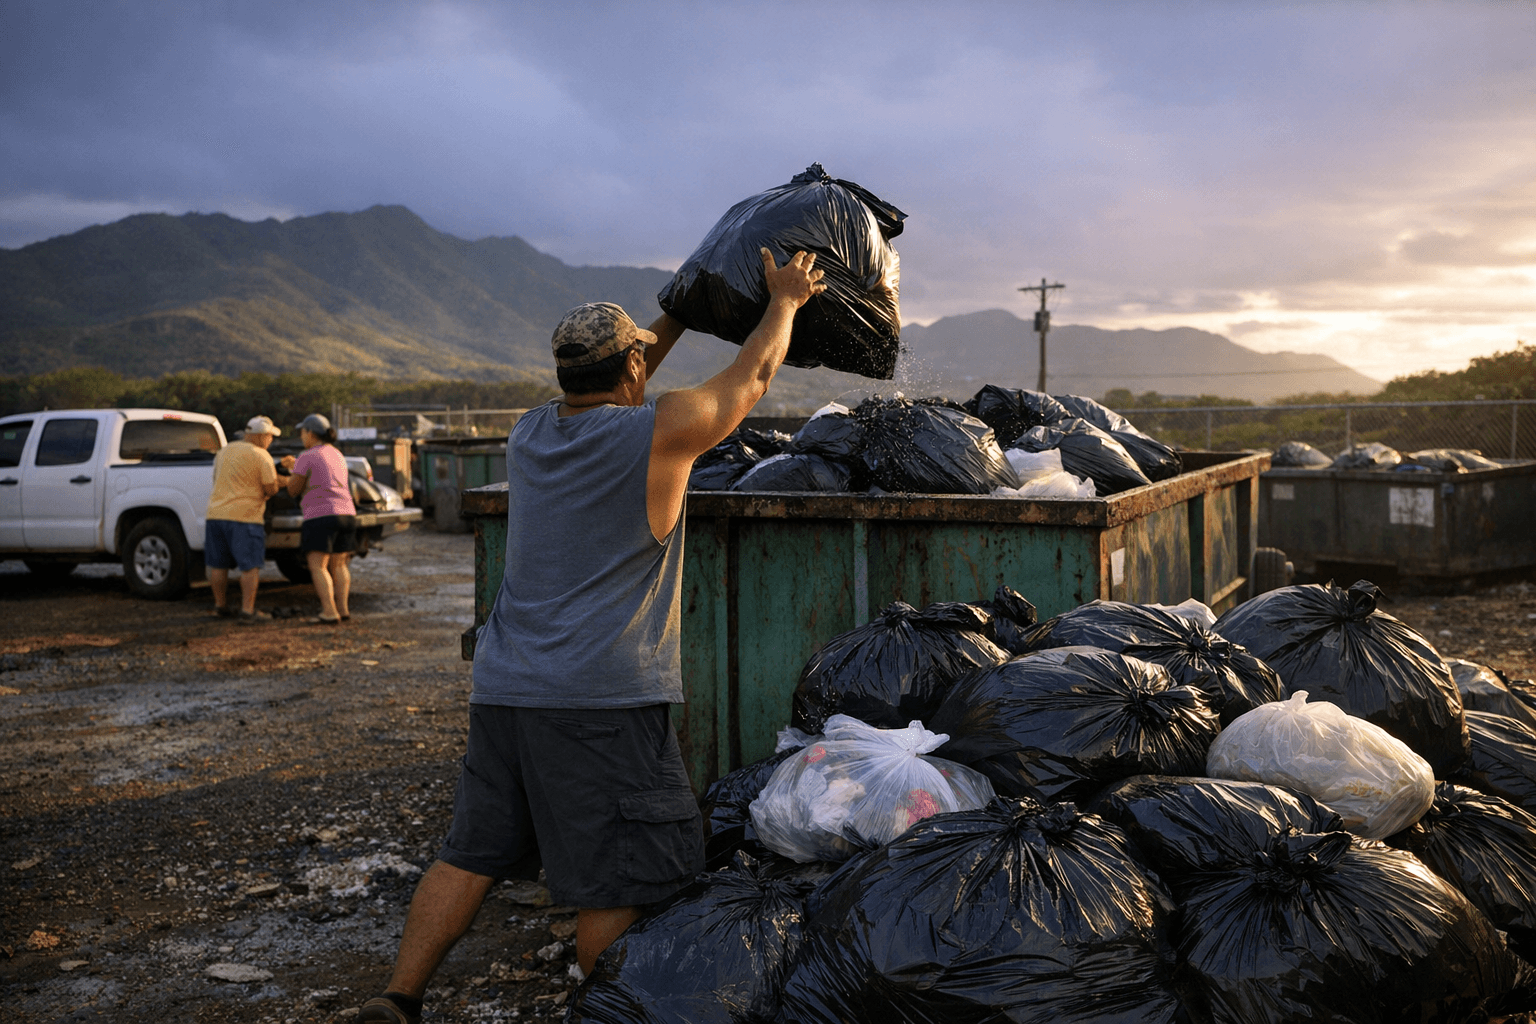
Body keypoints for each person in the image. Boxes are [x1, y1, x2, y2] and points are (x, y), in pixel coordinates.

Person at [356, 249, 826, 1024]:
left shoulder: (530, 434)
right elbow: (752, 381)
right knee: (617, 875)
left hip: (506, 688)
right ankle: (608, 1013)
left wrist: (674, 312)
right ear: (635, 370)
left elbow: (616, 379)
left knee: (470, 853)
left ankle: (398, 999)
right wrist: (786, 300)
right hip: (600, 700)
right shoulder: (659, 431)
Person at [278, 413, 357, 624]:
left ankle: (329, 612)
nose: (302, 436)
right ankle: (343, 609)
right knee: (339, 565)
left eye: (302, 432)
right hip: (347, 514)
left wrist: (285, 477)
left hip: (321, 515)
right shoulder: (337, 454)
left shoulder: (307, 455)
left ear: (311, 433)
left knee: (318, 566)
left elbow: (294, 489)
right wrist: (296, 468)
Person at [206, 415, 282, 622]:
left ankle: (220, 606)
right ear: (261, 436)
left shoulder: (224, 451)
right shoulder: (261, 455)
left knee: (218, 565)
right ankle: (247, 611)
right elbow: (270, 488)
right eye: (270, 437)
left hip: (215, 515)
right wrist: (282, 482)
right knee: (249, 566)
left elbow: (218, 479)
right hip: (245, 517)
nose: (271, 441)